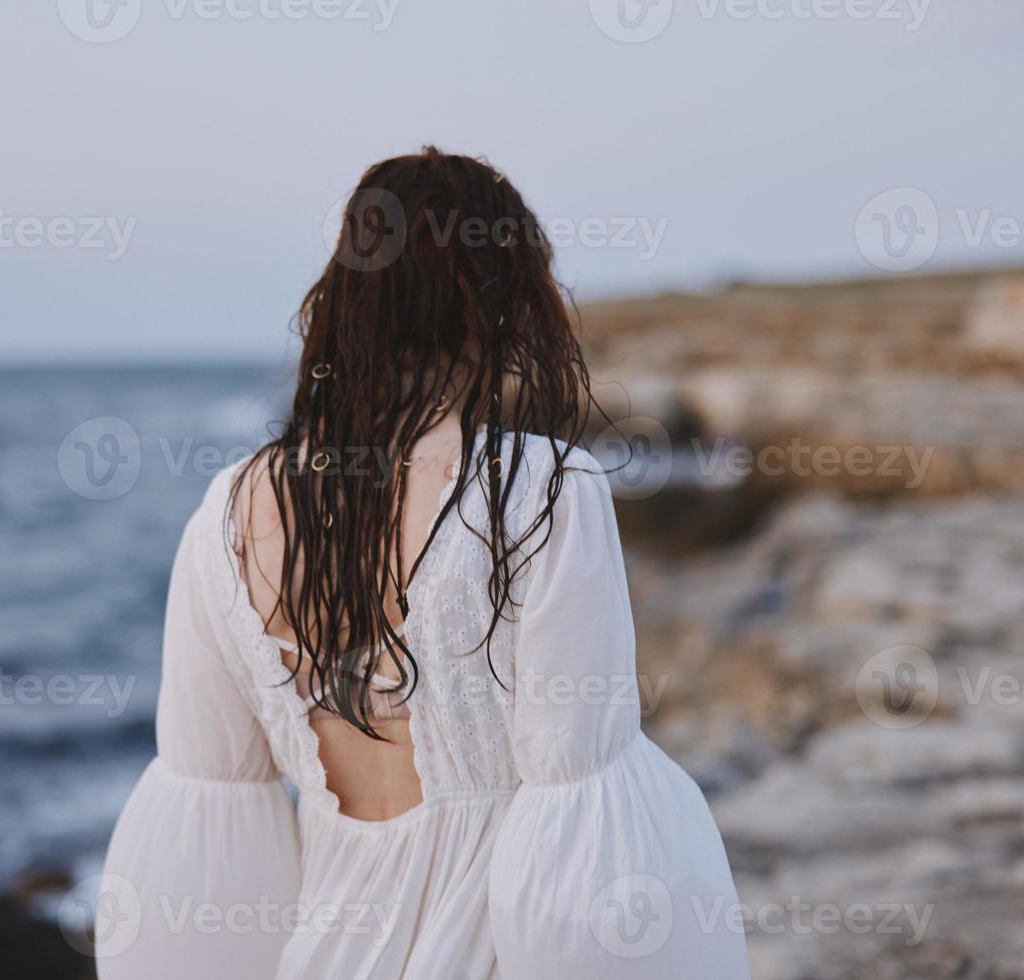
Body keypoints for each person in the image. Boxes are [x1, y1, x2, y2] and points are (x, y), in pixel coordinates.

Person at [98, 147, 751, 979]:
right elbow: (578, 824)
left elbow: (207, 830)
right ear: (502, 299)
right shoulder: (546, 490)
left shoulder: (226, 513)